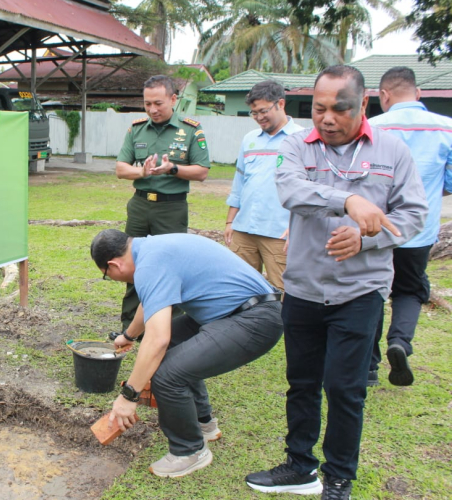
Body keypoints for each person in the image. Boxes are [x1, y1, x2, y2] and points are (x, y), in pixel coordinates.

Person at [245, 65, 428, 500]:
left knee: (346, 390)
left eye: (339, 109)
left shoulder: (392, 151)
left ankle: (339, 478)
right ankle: (299, 466)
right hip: (303, 289)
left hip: (359, 292)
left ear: (363, 103)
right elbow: (291, 191)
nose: (327, 119)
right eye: (319, 108)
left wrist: (366, 238)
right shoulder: (296, 146)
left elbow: (413, 214)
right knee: (302, 383)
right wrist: (348, 200)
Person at [91, 229, 283, 478]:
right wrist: (128, 336)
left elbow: (158, 340)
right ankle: (204, 424)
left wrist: (128, 396)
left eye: (107, 276)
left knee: (166, 374)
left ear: (114, 265)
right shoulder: (151, 250)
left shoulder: (150, 264)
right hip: (233, 311)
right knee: (173, 347)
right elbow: (150, 303)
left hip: (255, 320)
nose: (115, 279)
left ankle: (189, 451)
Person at [366, 66, 452, 387]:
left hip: (374, 229)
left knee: (372, 291)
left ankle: (369, 366)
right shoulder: (446, 128)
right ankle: (400, 342)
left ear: (384, 95)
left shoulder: (372, 127)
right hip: (419, 230)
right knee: (410, 290)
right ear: (418, 93)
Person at [114, 75, 211, 332]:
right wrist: (142, 172)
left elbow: (202, 171)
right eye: (147, 104)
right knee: (133, 262)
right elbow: (121, 169)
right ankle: (130, 326)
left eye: (158, 103)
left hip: (171, 208)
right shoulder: (137, 129)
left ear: (173, 99)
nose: (152, 109)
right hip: (140, 206)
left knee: (170, 266)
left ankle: (169, 328)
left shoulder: (190, 130)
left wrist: (172, 169)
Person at [225, 80, 303, 290]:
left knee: (283, 290)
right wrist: (230, 222)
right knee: (239, 288)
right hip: (244, 229)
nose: (259, 117)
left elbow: (309, 189)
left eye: (263, 111)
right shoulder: (250, 139)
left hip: (279, 232)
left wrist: (297, 227)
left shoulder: (301, 139)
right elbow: (240, 182)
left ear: (281, 104)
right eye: (254, 113)